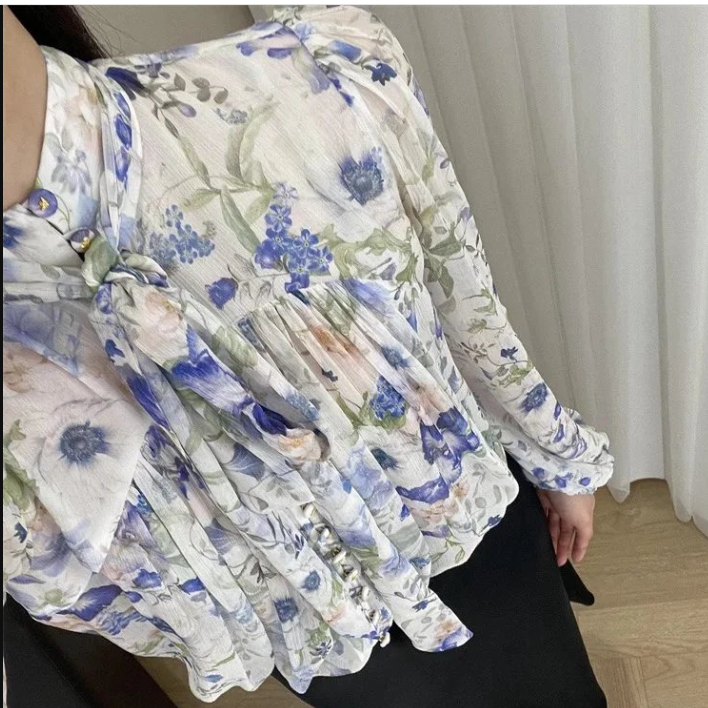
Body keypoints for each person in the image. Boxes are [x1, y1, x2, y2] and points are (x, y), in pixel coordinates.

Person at [3, 5, 613, 707]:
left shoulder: (312, 75)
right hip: (315, 640)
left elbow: (464, 299)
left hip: (473, 534)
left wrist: (553, 453)